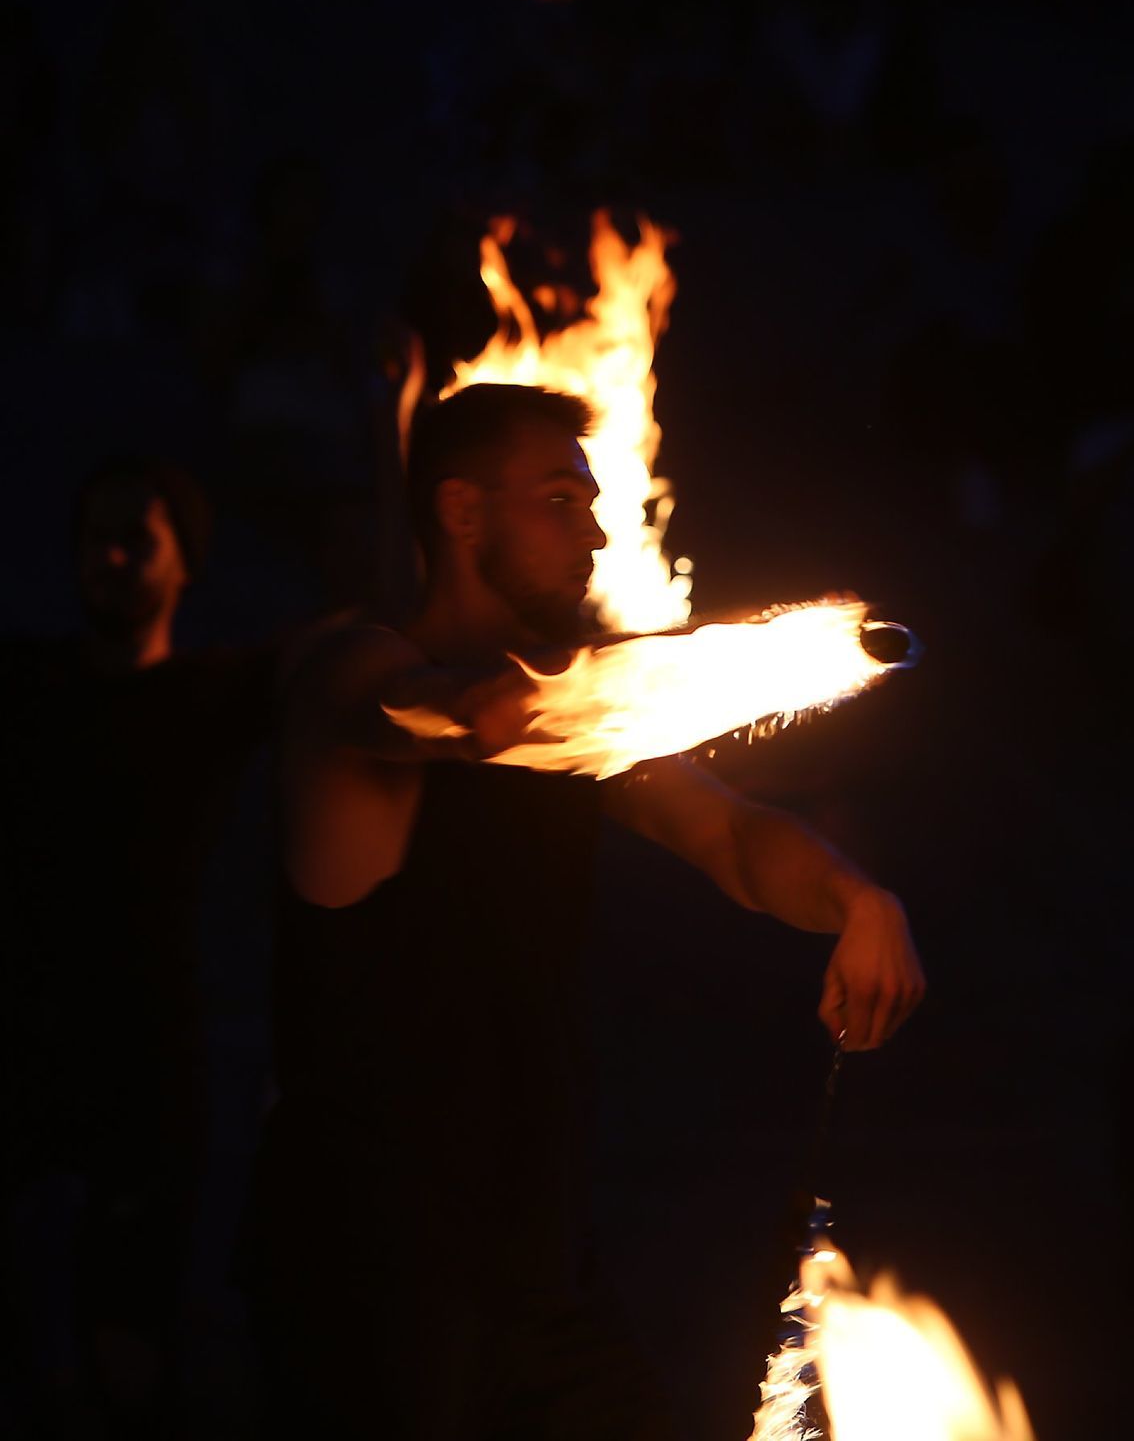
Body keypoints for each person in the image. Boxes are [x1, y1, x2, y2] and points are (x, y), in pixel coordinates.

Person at [243, 382, 925, 1440]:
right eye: (562, 499)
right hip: (372, 1275)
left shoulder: (582, 729)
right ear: (463, 513)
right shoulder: (352, 670)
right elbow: (436, 717)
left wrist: (856, 896)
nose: (598, 532)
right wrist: (575, 690)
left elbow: (734, 835)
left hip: (539, 1272)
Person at [0, 458, 275, 1438]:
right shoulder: (23, 687)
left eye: (138, 538)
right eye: (96, 539)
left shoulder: (217, 693)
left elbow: (378, 636)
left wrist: (394, 413)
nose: (112, 558)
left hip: (152, 1072)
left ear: (185, 561)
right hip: (19, 1059)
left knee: (132, 1360)